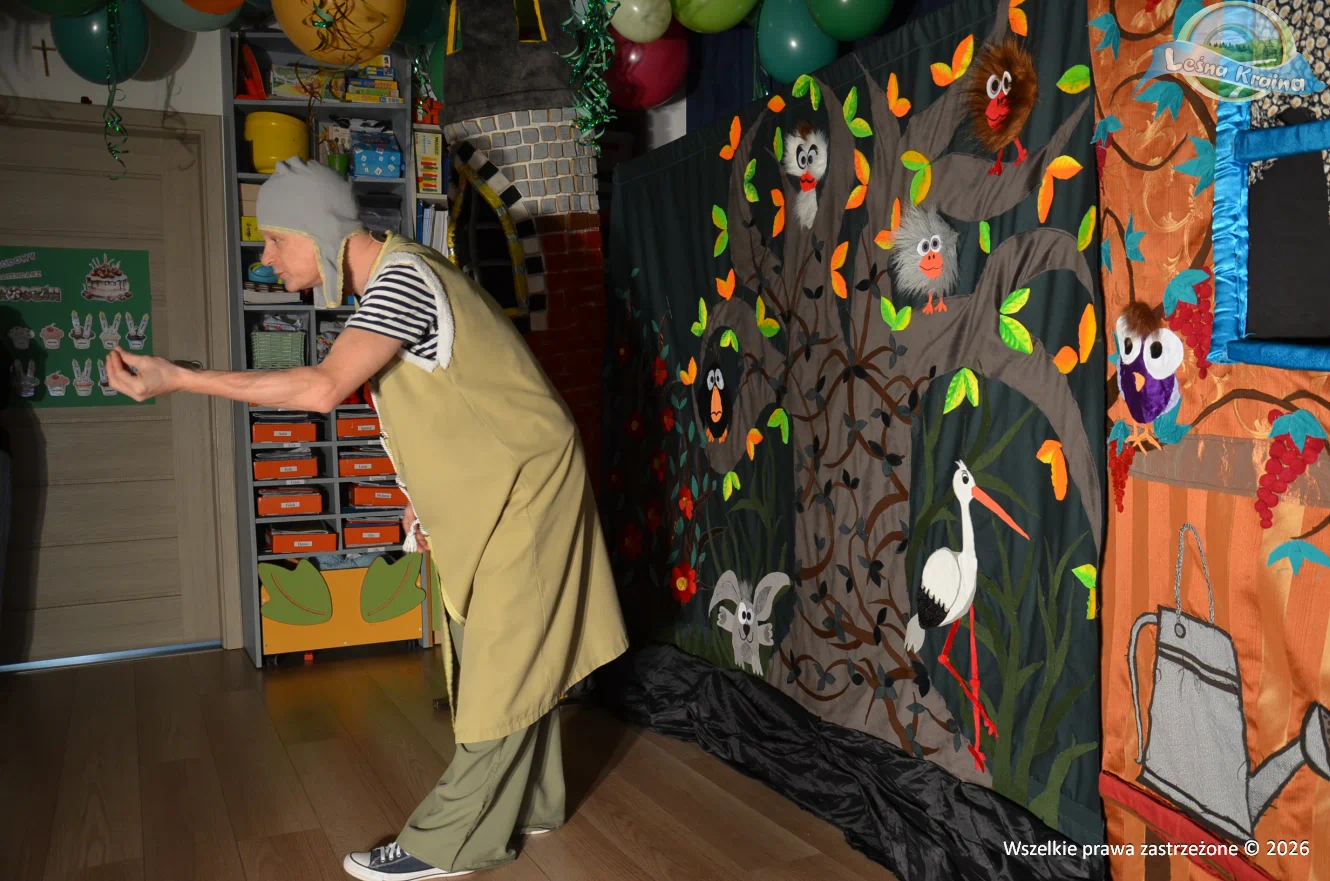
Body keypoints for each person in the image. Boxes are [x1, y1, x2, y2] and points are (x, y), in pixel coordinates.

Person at [106, 159, 629, 880]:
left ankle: (449, 842)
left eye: (274, 240)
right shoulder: (393, 279)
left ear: (316, 232)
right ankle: (529, 804)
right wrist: (418, 494)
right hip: (503, 481)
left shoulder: (403, 279)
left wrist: (181, 378)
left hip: (529, 484)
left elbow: (323, 388)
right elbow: (445, 396)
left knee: (500, 667)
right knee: (499, 649)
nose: (267, 259)